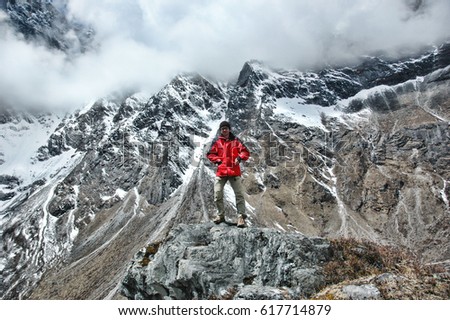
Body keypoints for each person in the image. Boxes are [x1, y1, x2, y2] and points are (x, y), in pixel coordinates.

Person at [207, 121, 250, 227]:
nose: (224, 130)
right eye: (222, 129)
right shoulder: (217, 143)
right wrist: (217, 160)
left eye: (226, 128)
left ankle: (241, 217)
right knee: (217, 194)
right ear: (220, 130)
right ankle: (220, 215)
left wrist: (239, 158)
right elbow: (210, 154)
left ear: (229, 129)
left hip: (234, 171)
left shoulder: (236, 141)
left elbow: (245, 152)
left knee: (239, 194)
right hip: (221, 171)